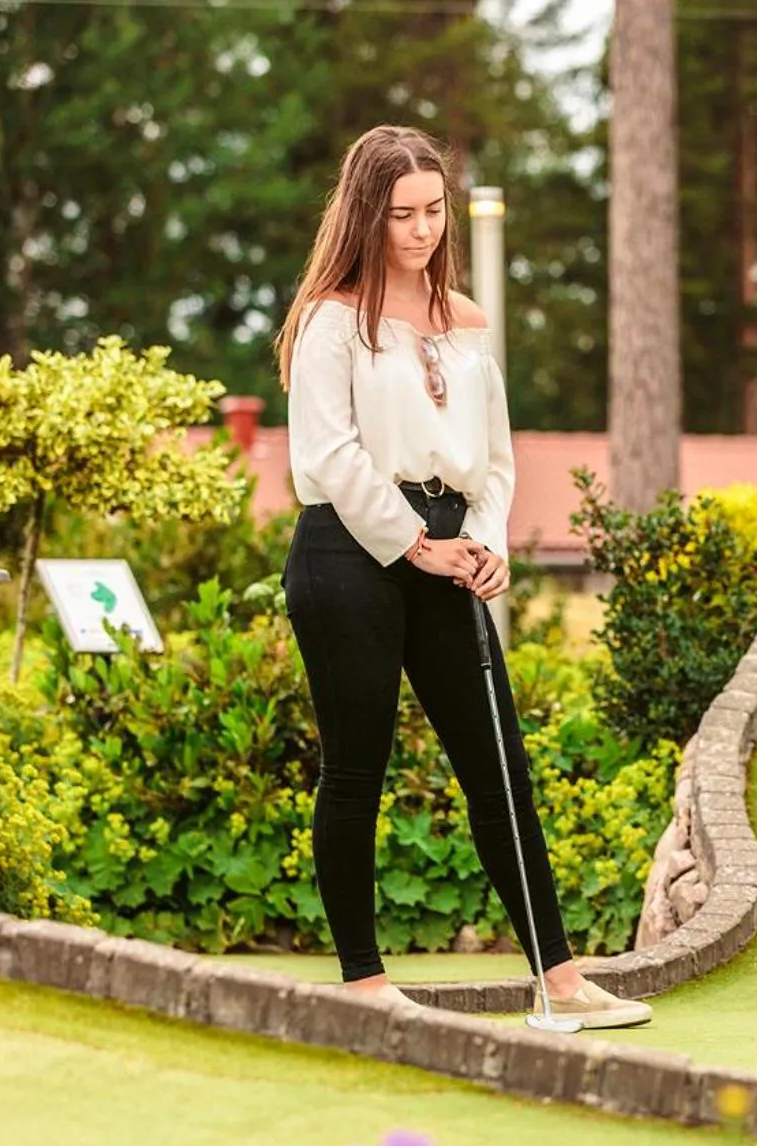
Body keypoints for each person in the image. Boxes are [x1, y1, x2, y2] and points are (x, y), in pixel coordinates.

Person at [273, 125, 648, 1027]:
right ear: (366, 214)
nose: (422, 230)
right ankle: (364, 983)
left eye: (434, 211)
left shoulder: (469, 323)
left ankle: (558, 982)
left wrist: (483, 544)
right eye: (401, 214)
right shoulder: (332, 319)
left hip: (450, 547)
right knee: (356, 767)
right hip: (348, 551)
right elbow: (331, 451)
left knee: (499, 768)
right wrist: (414, 544)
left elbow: (495, 457)